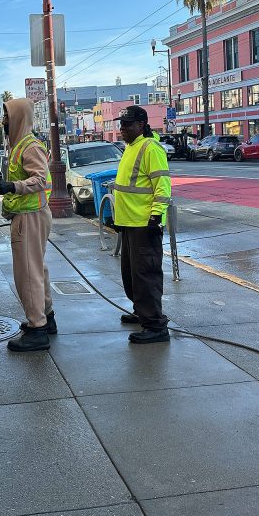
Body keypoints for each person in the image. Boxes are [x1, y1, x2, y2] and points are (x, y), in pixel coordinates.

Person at [0, 99, 54, 352]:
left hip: (29, 217)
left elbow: (41, 179)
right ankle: (46, 318)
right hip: (30, 215)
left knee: (27, 274)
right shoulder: (21, 145)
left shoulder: (28, 146)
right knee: (37, 270)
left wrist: (12, 186)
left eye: (8, 116)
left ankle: (37, 328)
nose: (4, 122)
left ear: (19, 118)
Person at [112, 105, 172, 344]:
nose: (122, 129)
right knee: (131, 274)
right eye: (121, 124)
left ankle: (155, 325)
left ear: (142, 125)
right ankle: (142, 311)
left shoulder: (150, 148)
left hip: (144, 223)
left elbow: (162, 186)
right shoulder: (131, 147)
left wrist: (156, 217)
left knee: (146, 274)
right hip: (129, 222)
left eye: (127, 124)